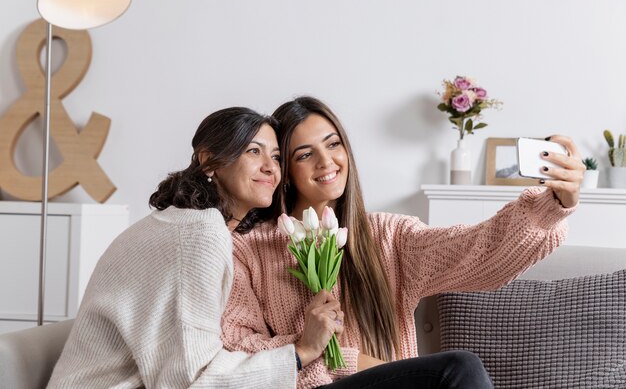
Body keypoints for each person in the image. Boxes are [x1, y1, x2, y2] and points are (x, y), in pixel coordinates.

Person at [220, 96, 585, 388]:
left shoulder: (388, 237)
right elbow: (237, 350)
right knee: (459, 368)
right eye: (304, 154)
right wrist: (311, 349)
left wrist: (553, 205)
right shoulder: (248, 250)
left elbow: (479, 249)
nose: (326, 161)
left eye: (333, 145)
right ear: (286, 172)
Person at [47, 107, 343, 389]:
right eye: (253, 151)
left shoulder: (185, 223)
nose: (270, 167)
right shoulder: (199, 234)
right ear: (209, 161)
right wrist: (303, 351)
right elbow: (191, 380)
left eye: (277, 157)